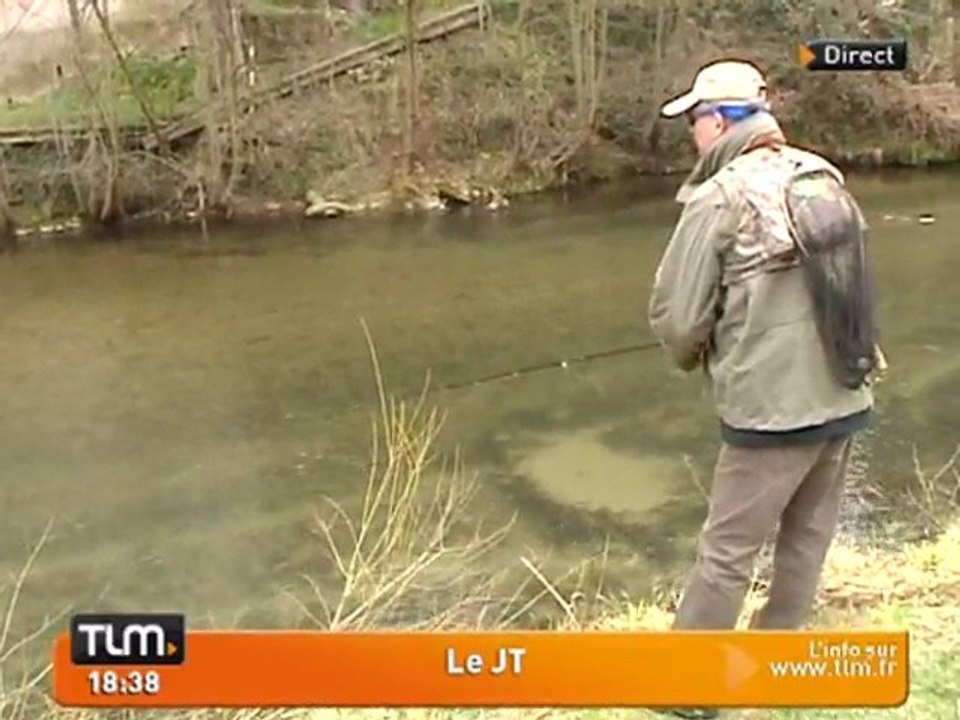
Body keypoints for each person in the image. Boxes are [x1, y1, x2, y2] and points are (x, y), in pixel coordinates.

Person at [647, 60, 882, 719]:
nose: (693, 134)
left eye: (695, 121)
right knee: (807, 538)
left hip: (772, 412)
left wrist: (692, 354)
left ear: (719, 123)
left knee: (727, 551)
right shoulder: (821, 175)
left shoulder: (720, 197)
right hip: (846, 390)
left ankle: (688, 691)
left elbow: (678, 319)